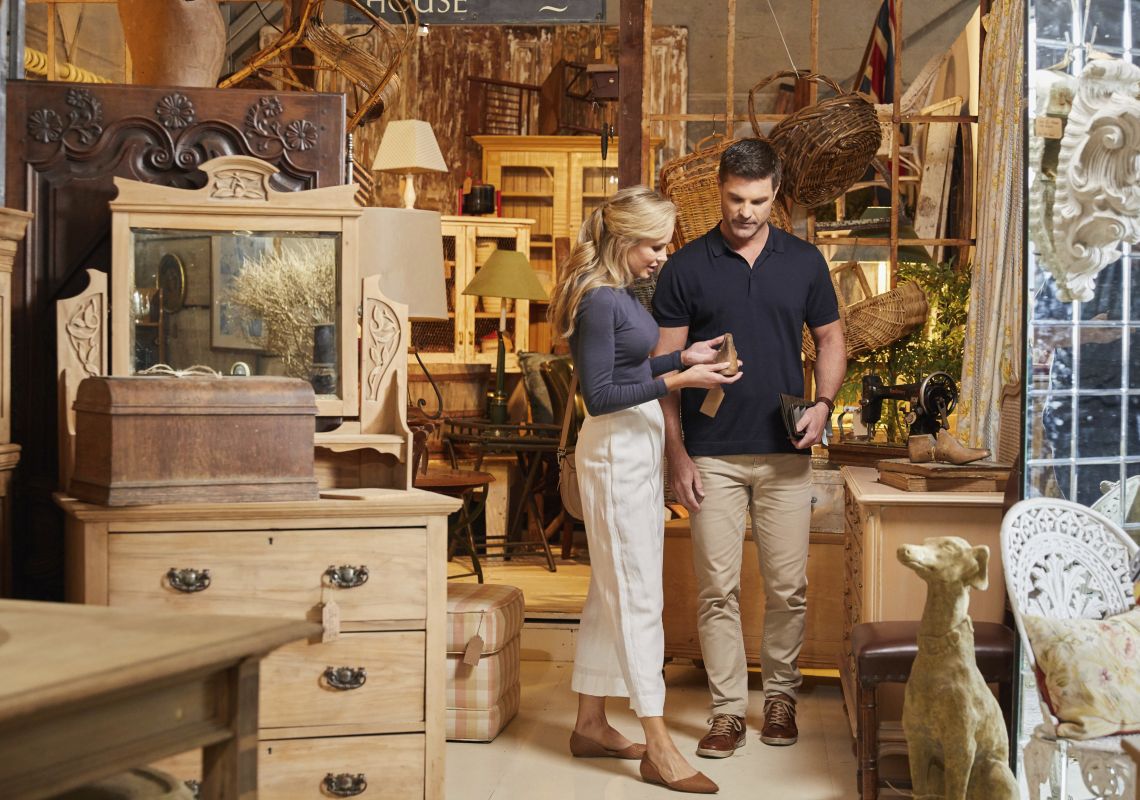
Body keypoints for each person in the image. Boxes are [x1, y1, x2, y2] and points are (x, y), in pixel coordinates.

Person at [651, 139, 846, 755]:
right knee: (717, 588)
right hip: (710, 453)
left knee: (788, 585)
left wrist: (823, 404)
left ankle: (781, 696)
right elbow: (664, 370)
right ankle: (729, 710)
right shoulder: (685, 267)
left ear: (776, 193)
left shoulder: (805, 262)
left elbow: (833, 340)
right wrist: (676, 455)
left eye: (759, 201)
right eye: (736, 199)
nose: (746, 212)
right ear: (719, 189)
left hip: (785, 450)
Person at [549, 185, 741, 794]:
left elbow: (629, 369)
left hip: (631, 450)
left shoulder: (620, 296)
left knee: (613, 592)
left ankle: (589, 725)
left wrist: (685, 355)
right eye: (654, 245)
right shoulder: (599, 300)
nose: (663, 255)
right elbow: (598, 397)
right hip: (613, 454)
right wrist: (680, 375)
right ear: (625, 241)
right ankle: (658, 745)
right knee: (636, 596)